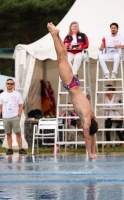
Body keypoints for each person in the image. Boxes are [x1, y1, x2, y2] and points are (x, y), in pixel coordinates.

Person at [47, 22, 98, 159]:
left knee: (63, 56)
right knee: (61, 58)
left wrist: (94, 151)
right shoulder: (87, 121)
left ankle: (56, 34)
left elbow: (93, 135)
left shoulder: (92, 116)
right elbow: (88, 137)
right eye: (84, 130)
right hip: (71, 84)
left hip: (75, 83)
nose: (82, 130)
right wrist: (90, 153)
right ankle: (54, 34)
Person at [0, 79, 27, 155]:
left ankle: (21, 148)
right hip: (5, 116)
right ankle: (10, 149)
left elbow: (20, 105)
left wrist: (19, 115)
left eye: (11, 84)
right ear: (6, 84)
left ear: (13, 85)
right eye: (8, 83)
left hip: (14, 116)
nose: (9, 85)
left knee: (18, 133)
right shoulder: (2, 95)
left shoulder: (17, 94)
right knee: (8, 134)